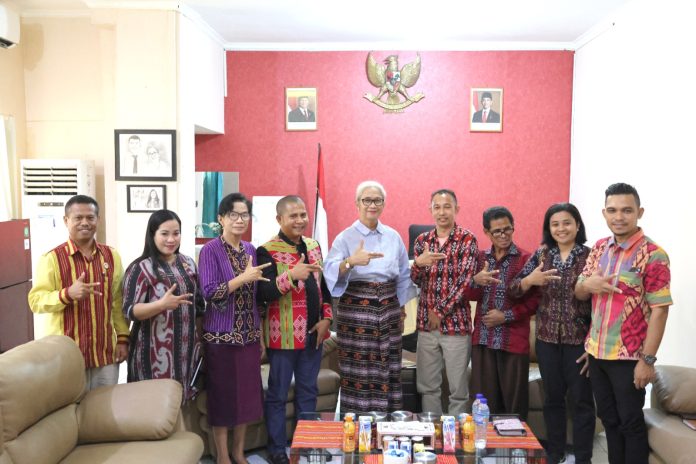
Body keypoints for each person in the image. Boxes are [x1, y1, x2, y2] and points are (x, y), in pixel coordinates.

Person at [575, 183, 672, 464]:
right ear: (604, 213)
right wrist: (588, 285)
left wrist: (648, 361)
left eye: (627, 210)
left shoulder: (654, 254)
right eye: (613, 210)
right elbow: (580, 291)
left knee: (630, 423)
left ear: (639, 212)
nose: (619, 217)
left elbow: (660, 311)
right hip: (597, 354)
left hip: (630, 358)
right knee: (609, 421)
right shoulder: (599, 248)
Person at [509, 203, 595, 464]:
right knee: (553, 399)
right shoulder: (542, 254)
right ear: (549, 228)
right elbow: (513, 288)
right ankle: (555, 453)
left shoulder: (591, 256)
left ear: (577, 225)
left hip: (579, 342)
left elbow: (601, 306)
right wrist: (529, 281)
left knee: (581, 402)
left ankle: (583, 457)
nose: (561, 228)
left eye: (567, 222)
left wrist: (593, 345)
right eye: (555, 224)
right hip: (546, 341)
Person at [324, 180, 416, 413]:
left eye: (377, 200)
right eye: (367, 200)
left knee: (389, 363)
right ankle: (357, 422)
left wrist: (401, 309)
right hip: (355, 310)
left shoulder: (393, 236)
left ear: (383, 204)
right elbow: (329, 272)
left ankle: (388, 421)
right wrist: (350, 262)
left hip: (389, 307)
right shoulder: (345, 237)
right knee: (359, 366)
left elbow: (403, 275)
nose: (372, 205)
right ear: (357, 203)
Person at [256, 195, 333, 464]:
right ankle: (277, 449)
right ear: (279, 219)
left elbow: (324, 288)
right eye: (293, 216)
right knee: (277, 394)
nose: (300, 220)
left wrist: (327, 319)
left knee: (308, 391)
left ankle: (307, 444)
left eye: (303, 215)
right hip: (283, 335)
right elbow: (263, 293)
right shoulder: (266, 250)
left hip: (314, 333)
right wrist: (291, 275)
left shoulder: (314, 245)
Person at [28, 194, 129, 390]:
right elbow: (36, 301)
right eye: (78, 218)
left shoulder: (111, 256)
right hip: (65, 356)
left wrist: (123, 338)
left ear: (98, 220)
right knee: (70, 407)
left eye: (90, 217)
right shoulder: (52, 259)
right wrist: (67, 294)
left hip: (105, 354)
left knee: (104, 406)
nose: (85, 222)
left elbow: (117, 302)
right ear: (66, 220)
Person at [198, 193, 270, 464]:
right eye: (234, 215)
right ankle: (222, 456)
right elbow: (209, 292)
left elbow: (255, 299)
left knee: (247, 399)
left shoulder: (251, 250)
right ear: (221, 219)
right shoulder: (210, 250)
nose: (240, 220)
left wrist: (259, 336)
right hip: (220, 338)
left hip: (249, 337)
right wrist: (242, 278)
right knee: (223, 398)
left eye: (245, 215)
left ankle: (239, 453)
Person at [122, 209, 205, 402]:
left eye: (176, 233)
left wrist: (201, 343)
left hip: (186, 352)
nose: (171, 239)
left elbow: (199, 306)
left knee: (180, 403)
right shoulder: (140, 268)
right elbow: (129, 310)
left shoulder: (188, 263)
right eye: (164, 234)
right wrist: (161, 305)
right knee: (152, 406)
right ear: (152, 235)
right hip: (151, 353)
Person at [410, 189, 479, 415]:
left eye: (447, 207)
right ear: (430, 210)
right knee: (428, 387)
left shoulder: (467, 239)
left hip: (456, 325)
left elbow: (466, 281)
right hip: (426, 326)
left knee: (458, 389)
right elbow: (415, 280)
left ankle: (457, 435)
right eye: (437, 207)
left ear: (456, 209)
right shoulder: (422, 241)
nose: (442, 212)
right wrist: (418, 264)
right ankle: (433, 432)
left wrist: (439, 311)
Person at [468, 206, 536, 419]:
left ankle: (515, 441)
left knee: (513, 407)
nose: (503, 234)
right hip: (483, 340)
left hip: (512, 342)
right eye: (497, 231)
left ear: (513, 228)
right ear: (487, 232)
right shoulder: (480, 258)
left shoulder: (526, 259)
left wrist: (505, 316)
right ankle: (484, 440)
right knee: (482, 404)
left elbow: (535, 302)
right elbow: (468, 294)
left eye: (507, 229)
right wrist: (475, 280)